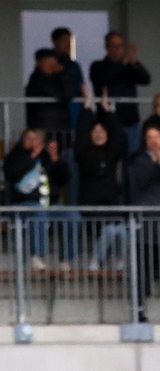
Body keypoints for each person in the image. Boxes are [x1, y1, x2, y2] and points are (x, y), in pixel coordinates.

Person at [3, 128, 79, 271]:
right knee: (39, 212)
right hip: (24, 204)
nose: (33, 142)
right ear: (22, 141)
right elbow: (12, 174)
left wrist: (56, 159)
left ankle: (66, 259)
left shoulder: (47, 157)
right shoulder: (14, 157)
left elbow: (65, 178)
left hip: (50, 203)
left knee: (73, 216)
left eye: (36, 138)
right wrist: (31, 157)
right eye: (29, 138)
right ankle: (37, 256)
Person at [74, 89, 128, 271]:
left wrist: (108, 111)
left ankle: (121, 260)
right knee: (109, 230)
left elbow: (119, 137)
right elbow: (81, 134)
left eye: (102, 131)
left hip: (111, 204)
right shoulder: (83, 154)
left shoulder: (112, 153)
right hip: (91, 205)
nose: (99, 134)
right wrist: (87, 107)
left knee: (121, 229)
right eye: (95, 131)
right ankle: (96, 261)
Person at [90, 31, 151, 155]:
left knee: (132, 161)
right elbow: (106, 79)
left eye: (121, 45)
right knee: (108, 159)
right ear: (107, 47)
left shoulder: (129, 66)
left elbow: (146, 79)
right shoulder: (98, 66)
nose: (118, 49)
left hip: (130, 122)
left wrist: (133, 62)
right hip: (107, 122)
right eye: (114, 46)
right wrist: (124, 63)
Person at [130, 121, 160, 320]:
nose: (153, 140)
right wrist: (156, 162)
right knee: (142, 269)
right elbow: (142, 181)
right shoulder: (140, 160)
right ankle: (139, 311)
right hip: (149, 224)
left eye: (156, 136)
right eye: (149, 137)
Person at [25, 49, 73, 143]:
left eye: (53, 61)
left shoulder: (58, 77)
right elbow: (58, 94)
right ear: (39, 63)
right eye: (48, 61)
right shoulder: (37, 79)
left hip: (61, 128)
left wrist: (63, 73)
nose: (52, 65)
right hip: (43, 128)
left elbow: (69, 94)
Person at [51, 27, 84, 128]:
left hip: (75, 108)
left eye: (69, 41)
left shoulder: (74, 65)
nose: (68, 44)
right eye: (64, 41)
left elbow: (80, 86)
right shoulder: (51, 63)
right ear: (55, 42)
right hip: (57, 108)